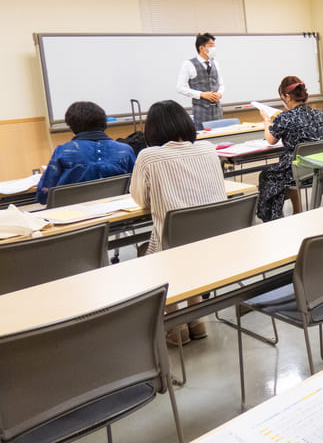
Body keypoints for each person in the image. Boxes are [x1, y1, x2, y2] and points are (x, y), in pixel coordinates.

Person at [130, 100, 227, 344]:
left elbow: (140, 199)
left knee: (151, 253)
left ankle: (175, 326)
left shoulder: (148, 156)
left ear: (152, 130)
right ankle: (196, 319)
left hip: (173, 247)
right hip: (217, 241)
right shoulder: (207, 148)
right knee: (191, 245)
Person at [256, 76, 323, 222]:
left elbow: (270, 140)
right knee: (286, 172)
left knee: (267, 175)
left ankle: (276, 218)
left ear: (287, 96)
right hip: (318, 167)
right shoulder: (320, 114)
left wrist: (266, 121)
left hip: (294, 168)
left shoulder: (285, 117)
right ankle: (297, 211)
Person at [36, 101, 136, 204]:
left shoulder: (63, 151)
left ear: (71, 126)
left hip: (73, 215)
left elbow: (43, 195)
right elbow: (137, 186)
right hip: (117, 212)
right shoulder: (125, 150)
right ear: (103, 123)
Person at [176, 32, 225, 131]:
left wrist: (220, 93)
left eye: (214, 46)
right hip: (201, 109)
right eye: (211, 46)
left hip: (217, 108)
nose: (213, 48)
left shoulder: (215, 63)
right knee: (203, 135)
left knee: (220, 134)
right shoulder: (188, 64)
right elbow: (180, 88)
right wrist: (201, 94)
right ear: (201, 48)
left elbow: (221, 84)